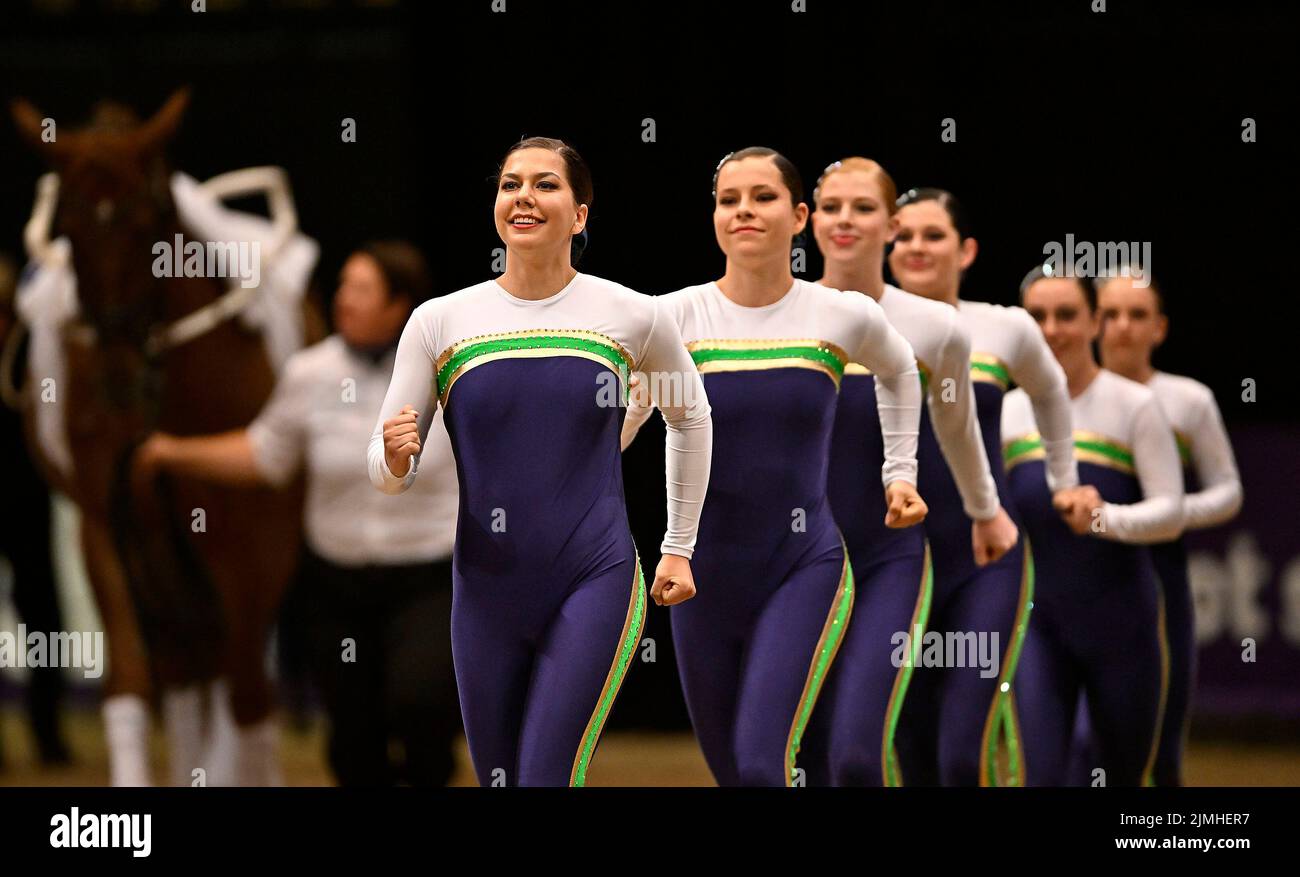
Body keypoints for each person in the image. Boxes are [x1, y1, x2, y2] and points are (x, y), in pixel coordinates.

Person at [368, 137, 712, 787]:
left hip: (595, 576)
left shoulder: (631, 315)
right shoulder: (439, 321)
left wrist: (678, 545)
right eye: (510, 184)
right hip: (483, 592)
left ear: (580, 215)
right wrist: (392, 458)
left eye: (545, 184)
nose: (523, 195)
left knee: (546, 775)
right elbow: (388, 471)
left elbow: (690, 414)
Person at [622, 147, 926, 786]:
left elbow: (900, 371)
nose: (743, 212)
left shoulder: (841, 314)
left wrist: (900, 472)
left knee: (763, 766)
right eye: (728, 200)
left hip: (803, 565)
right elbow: (623, 424)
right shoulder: (672, 317)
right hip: (699, 576)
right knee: (738, 772)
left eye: (761, 198)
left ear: (798, 216)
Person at [135, 241, 461, 785]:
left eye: (360, 289)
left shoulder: (447, 374)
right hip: (336, 587)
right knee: (353, 738)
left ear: (398, 305)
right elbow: (267, 454)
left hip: (428, 581)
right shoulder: (309, 372)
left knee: (420, 705)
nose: (342, 299)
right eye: (342, 286)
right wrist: (173, 451)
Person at [804, 159, 1017, 786]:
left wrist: (986, 509)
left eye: (863, 207)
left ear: (892, 225)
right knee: (798, 760)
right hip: (792, 564)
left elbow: (958, 430)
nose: (846, 220)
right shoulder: (775, 317)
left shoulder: (933, 328)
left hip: (888, 558)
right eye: (832, 206)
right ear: (808, 220)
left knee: (857, 759)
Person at [887, 188, 1081, 786]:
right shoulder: (863, 322)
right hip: (892, 557)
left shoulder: (1004, 327)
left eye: (934, 235)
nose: (917, 246)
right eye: (906, 235)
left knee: (960, 750)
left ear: (966, 250)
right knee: (906, 739)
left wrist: (1063, 479)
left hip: (984, 558)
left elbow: (1052, 394)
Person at [1003, 266, 1184, 785]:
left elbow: (1170, 512)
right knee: (1041, 773)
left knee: (1111, 774)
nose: (1052, 329)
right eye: (1038, 316)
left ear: (1095, 323)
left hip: (1122, 629)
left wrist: (1104, 517)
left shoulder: (1135, 406)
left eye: (1067, 315)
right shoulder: (1010, 413)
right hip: (1039, 625)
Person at [1094, 272, 1242, 784]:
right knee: (1073, 743)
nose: (1123, 327)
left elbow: (1228, 490)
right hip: (1075, 575)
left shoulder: (1187, 400)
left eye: (1137, 315)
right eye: (1110, 314)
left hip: (1158, 577)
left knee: (1157, 736)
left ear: (1159, 328)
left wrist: (1171, 514)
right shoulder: (1058, 396)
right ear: (1092, 321)